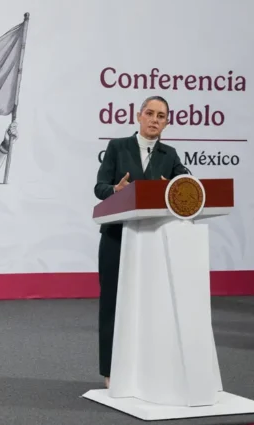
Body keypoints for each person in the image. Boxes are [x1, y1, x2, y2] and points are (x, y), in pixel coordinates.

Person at [93, 95, 189, 387]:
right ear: (139, 115)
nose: (154, 120)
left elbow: (187, 184)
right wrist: (115, 189)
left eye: (161, 116)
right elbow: (99, 187)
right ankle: (111, 371)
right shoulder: (117, 147)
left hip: (152, 242)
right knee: (113, 304)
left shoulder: (170, 155)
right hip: (117, 238)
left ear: (167, 123)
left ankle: (146, 369)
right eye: (150, 113)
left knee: (149, 306)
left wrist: (174, 186)